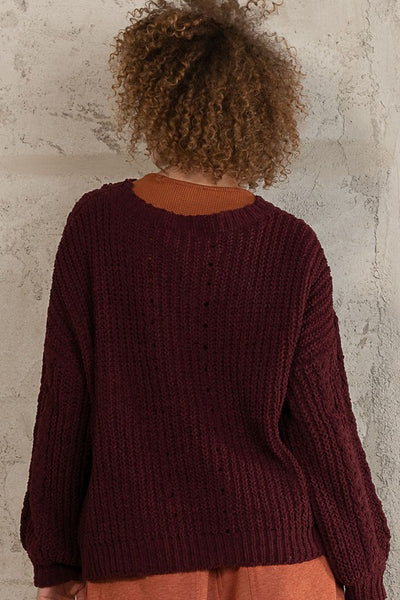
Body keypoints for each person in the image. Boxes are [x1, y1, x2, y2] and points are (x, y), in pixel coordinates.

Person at [19, 0, 391, 599]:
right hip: (282, 564)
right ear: (261, 115)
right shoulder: (290, 246)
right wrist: (365, 575)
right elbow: (325, 428)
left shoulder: (96, 226)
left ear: (155, 101)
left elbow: (66, 401)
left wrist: (55, 564)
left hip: (138, 563)